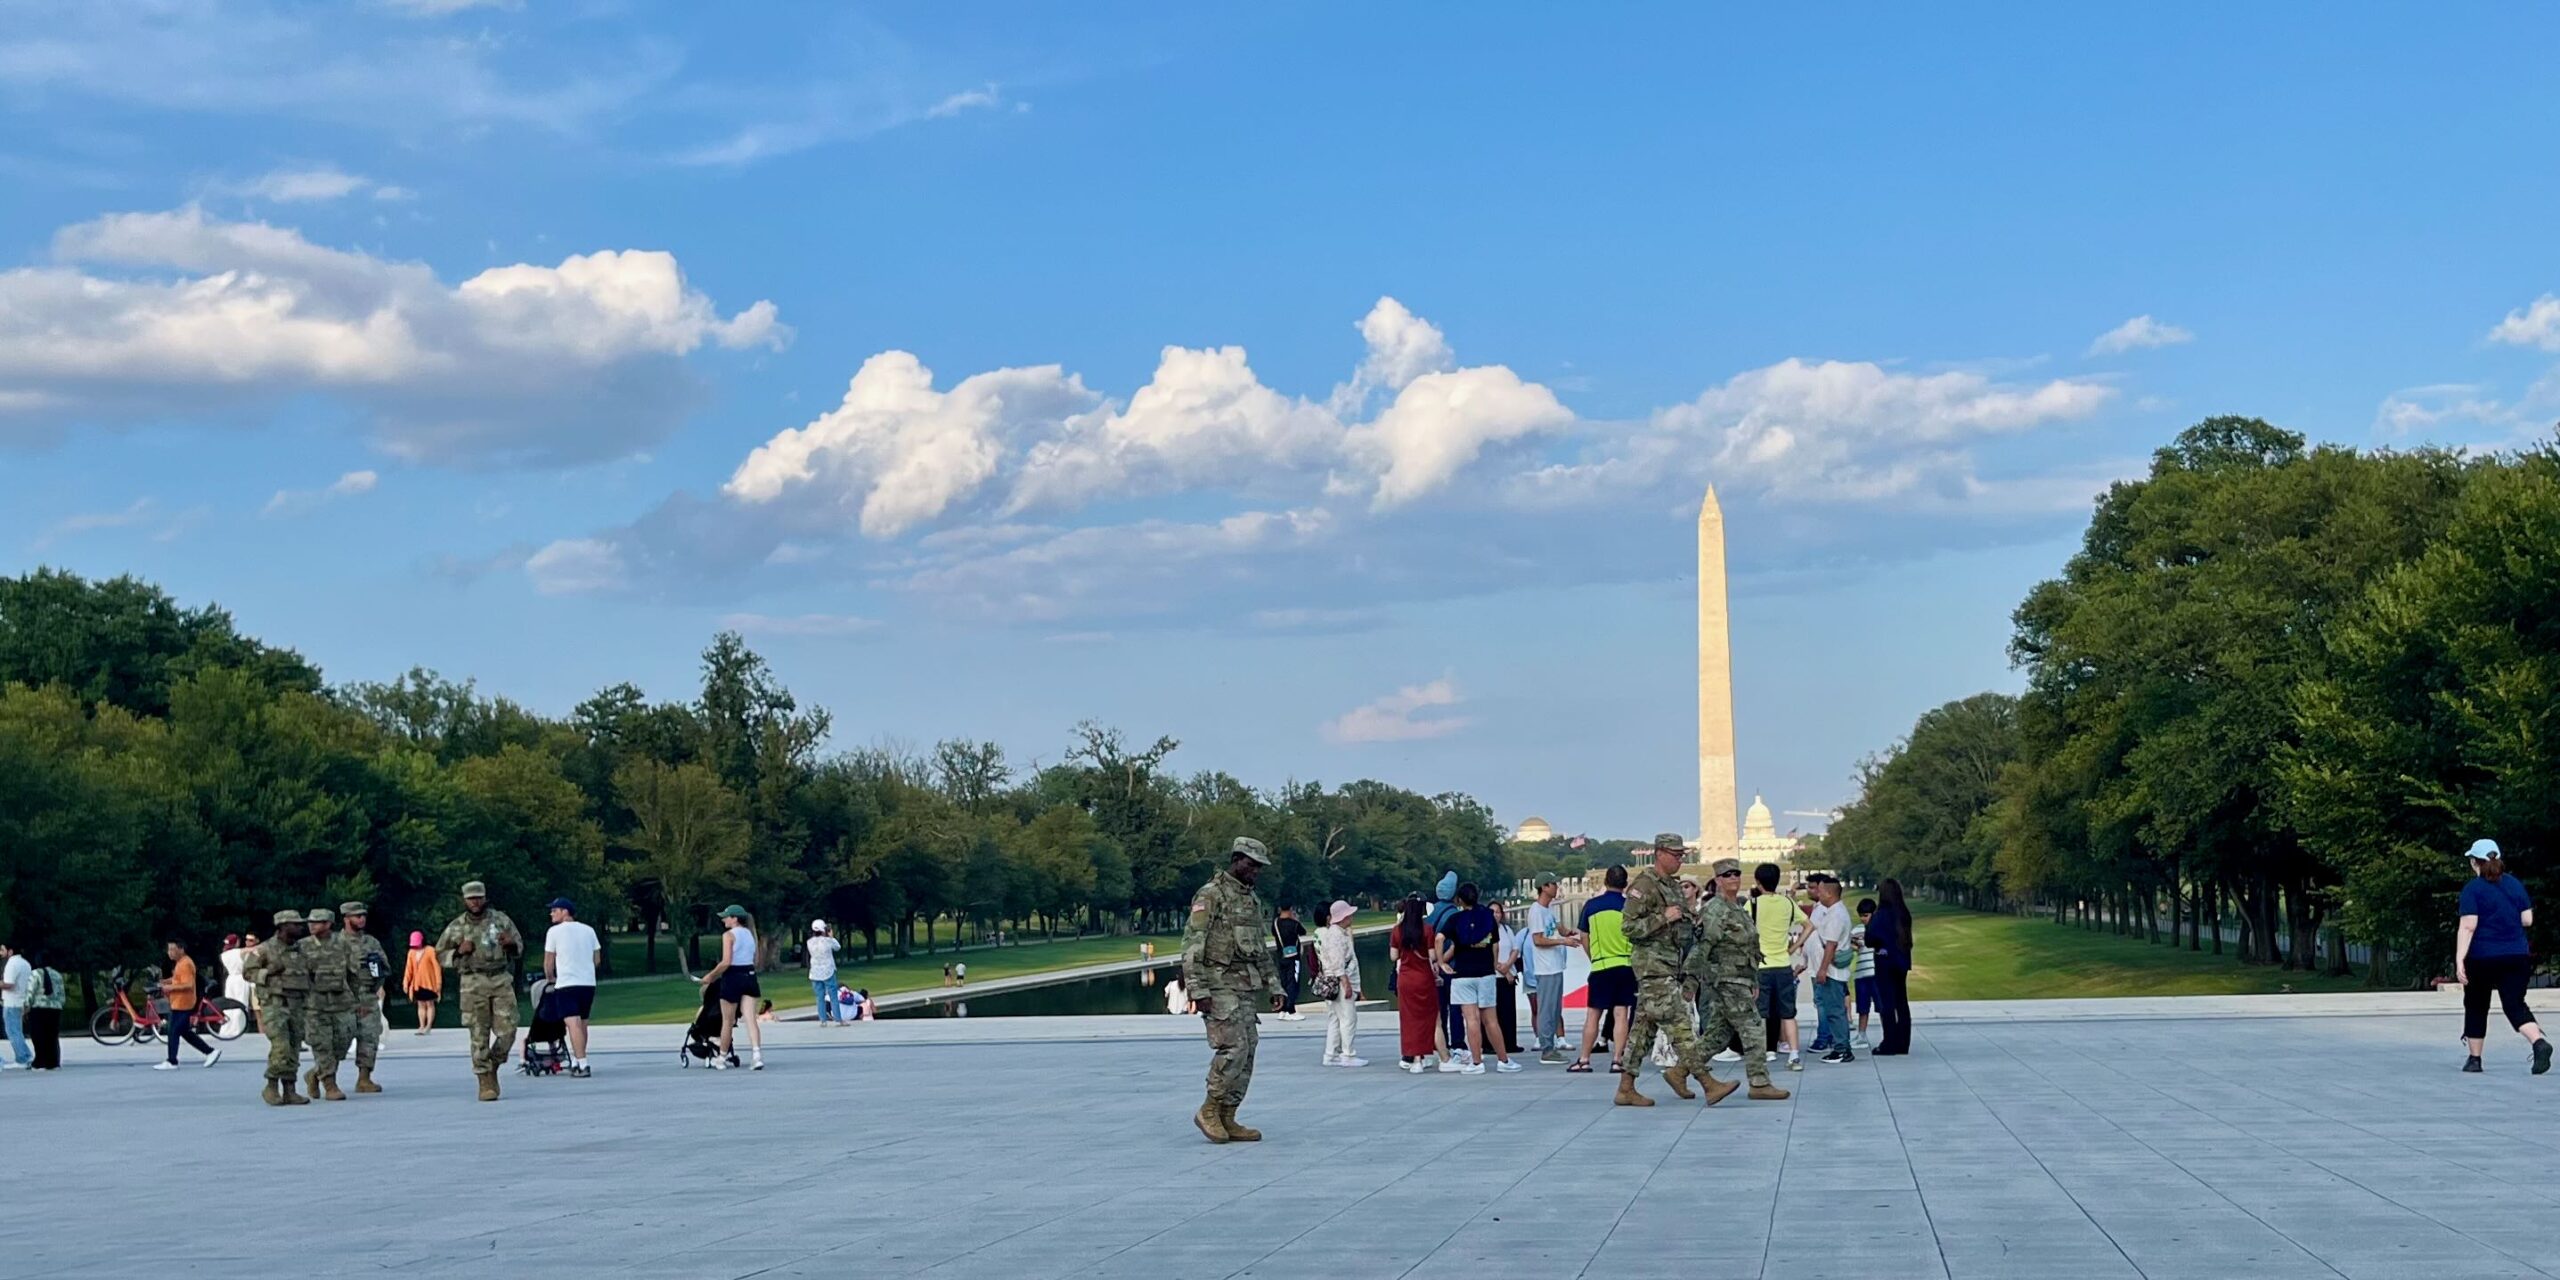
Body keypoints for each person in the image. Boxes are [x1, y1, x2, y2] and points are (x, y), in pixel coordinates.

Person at [1182, 836, 1280, 1143]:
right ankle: (1210, 1108)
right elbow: (1192, 944)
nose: (1256, 872)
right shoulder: (1211, 895)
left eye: (1259, 867)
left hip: (1244, 985)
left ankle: (1228, 1114)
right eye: (1251, 865)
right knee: (1233, 1047)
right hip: (1217, 982)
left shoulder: (1251, 900)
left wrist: (1275, 985)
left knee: (1249, 1048)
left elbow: (1261, 950)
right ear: (1236, 860)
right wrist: (1198, 990)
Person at [1616, 834, 1712, 1107]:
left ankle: (1626, 1087)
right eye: (1675, 853)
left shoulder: (1670, 886)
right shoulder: (1644, 886)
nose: (1680, 858)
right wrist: (1662, 918)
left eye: (1682, 854)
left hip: (1670, 966)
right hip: (1653, 967)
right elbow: (1629, 928)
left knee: (1643, 1030)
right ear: (1659, 853)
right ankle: (1707, 1082)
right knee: (1681, 1025)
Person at [1694, 858, 1789, 1102]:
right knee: (1754, 1027)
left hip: (1741, 977)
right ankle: (1759, 1082)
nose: (1733, 878)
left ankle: (1680, 1070)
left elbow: (1750, 946)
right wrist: (1691, 980)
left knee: (1719, 1033)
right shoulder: (1715, 910)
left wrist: (1753, 979)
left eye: (1736, 873)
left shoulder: (1738, 907)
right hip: (1725, 979)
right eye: (1727, 875)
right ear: (1717, 880)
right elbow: (1703, 947)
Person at [2454, 839, 2549, 1075]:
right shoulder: (2514, 885)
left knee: (2476, 1004)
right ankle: (2538, 1042)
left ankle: (2475, 1059)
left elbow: (2468, 926)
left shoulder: (2472, 889)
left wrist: (2459, 959)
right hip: (2517, 955)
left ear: (2475, 862)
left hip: (2482, 957)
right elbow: (2527, 920)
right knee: (2514, 1004)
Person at [436, 880, 524, 1101]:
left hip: (500, 978)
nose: (475, 902)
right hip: (472, 980)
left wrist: (510, 944)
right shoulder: (457, 926)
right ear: (464, 900)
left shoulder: (501, 920)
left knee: (508, 1030)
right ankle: (485, 1079)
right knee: (478, 1032)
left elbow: (519, 947)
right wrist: (458, 951)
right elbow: (438, 954)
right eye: (471, 898)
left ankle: (494, 1062)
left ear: (485, 898)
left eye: (479, 897)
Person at [1435, 883, 1518, 1075]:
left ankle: (1476, 1062)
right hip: (1485, 974)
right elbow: (1495, 945)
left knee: (1471, 1020)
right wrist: (1494, 963)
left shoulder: (1455, 919)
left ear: (1460, 900)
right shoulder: (1487, 917)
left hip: (1462, 974)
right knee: (1491, 1020)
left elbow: (1439, 938)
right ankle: (1503, 1060)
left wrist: (1441, 963)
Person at [242, 911, 313, 1105]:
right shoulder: (265, 949)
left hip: (298, 1004)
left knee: (294, 1047)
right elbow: (248, 972)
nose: (300, 927)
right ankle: (271, 1085)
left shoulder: (301, 949)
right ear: (282, 926)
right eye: (295, 924)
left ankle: (290, 1089)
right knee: (281, 1046)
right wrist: (267, 972)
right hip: (275, 1003)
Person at [1570, 864, 1635, 1075]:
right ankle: (1617, 1060)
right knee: (1621, 1014)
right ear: (1625, 884)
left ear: (1605, 882)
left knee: (1593, 1015)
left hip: (1601, 965)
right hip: (1625, 965)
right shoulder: (1630, 907)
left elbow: (1584, 936)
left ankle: (1584, 1059)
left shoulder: (1591, 906)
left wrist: (1593, 957)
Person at [299, 907, 366, 1102]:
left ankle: (314, 1074)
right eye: (310, 922)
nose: (312, 925)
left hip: (341, 1001)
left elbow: (354, 975)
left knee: (342, 1043)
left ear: (328, 924)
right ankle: (330, 1085)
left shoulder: (343, 944)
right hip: (315, 1004)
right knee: (322, 1045)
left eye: (317, 922)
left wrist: (358, 1000)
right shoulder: (302, 946)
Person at [1750, 862, 1803, 1072]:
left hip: (1762, 965)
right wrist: (1794, 947)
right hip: (1782, 964)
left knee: (1761, 1013)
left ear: (1757, 882)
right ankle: (1794, 1054)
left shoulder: (1752, 904)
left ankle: (1763, 1052)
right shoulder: (1788, 903)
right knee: (1788, 1013)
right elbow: (1809, 926)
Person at [543, 897, 603, 1076]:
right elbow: (597, 959)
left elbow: (548, 961)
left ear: (564, 912)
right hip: (587, 984)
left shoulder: (554, 932)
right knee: (582, 1023)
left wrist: (551, 977)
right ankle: (577, 1059)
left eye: (554, 910)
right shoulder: (589, 930)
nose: (551, 913)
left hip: (567, 983)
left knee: (572, 1023)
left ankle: (583, 1064)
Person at [700, 904, 764, 1070]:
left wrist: (711, 976)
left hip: (733, 977)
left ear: (734, 919)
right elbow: (755, 961)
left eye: (726, 917)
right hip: (749, 976)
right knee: (750, 1019)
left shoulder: (729, 935)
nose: (723, 920)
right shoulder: (751, 934)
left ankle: (721, 1057)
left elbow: (726, 962)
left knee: (727, 1021)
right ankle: (757, 1055)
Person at [1525, 872, 1580, 1063]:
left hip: (1556, 966)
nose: (1557, 887)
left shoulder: (1549, 910)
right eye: (1553, 884)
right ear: (1544, 887)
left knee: (1555, 1009)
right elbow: (1538, 940)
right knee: (1547, 1009)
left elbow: (1560, 928)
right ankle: (1546, 1048)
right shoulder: (1536, 911)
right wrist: (1563, 941)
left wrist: (1571, 933)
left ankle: (1552, 1045)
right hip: (1545, 968)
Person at [339, 902, 389, 1092]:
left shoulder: (371, 942)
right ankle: (322, 1075)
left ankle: (364, 1078)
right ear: (346, 918)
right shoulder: (336, 943)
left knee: (370, 1037)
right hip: (343, 999)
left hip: (367, 996)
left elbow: (383, 969)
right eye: (356, 916)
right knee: (339, 1041)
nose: (361, 919)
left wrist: (375, 983)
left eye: (363, 915)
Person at [154, 939, 223, 1070]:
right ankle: (210, 1051)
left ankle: (172, 1061)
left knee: (173, 1032)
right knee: (184, 1032)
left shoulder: (185, 963)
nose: (170, 953)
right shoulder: (180, 963)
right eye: (169, 950)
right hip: (178, 1003)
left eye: (173, 949)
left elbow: (188, 984)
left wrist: (170, 988)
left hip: (184, 1004)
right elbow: (177, 979)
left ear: (181, 949)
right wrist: (165, 982)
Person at [1808, 875, 1855, 1064]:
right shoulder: (1833, 912)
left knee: (1835, 1011)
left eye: (1819, 890)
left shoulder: (1836, 915)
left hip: (1832, 972)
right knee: (1833, 1009)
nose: (1817, 894)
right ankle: (1841, 1047)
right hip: (1831, 971)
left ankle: (1842, 1049)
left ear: (1828, 892)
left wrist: (1822, 969)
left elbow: (1831, 945)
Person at [1314, 899, 1365, 1067]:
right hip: (1341, 982)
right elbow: (1337, 962)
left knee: (1335, 1018)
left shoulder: (1335, 933)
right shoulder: (1336, 935)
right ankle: (1347, 1054)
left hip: (1334, 981)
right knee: (1348, 1018)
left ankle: (1331, 1054)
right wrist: (1346, 983)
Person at [1392, 895, 1439, 1073]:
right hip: (1424, 978)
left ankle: (1413, 1056)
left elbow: (1393, 956)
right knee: (1426, 1017)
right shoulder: (1427, 930)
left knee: (1408, 1019)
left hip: (1405, 978)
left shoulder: (1397, 931)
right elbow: (1432, 956)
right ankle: (1423, 1055)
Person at [1870, 878, 1915, 1056]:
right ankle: (1903, 1043)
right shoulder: (1904, 913)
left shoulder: (1881, 915)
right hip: (1901, 961)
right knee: (1901, 1003)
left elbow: (1871, 938)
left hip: (1885, 961)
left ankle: (1889, 1042)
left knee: (1887, 1003)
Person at [1491, 900, 1525, 1056]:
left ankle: (1510, 1043)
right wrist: (1504, 970)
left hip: (1509, 977)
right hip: (1495, 977)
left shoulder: (1506, 929)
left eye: (1498, 912)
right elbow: (1488, 955)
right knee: (1494, 1013)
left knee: (1509, 1012)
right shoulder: (1485, 931)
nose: (1495, 915)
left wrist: (1508, 966)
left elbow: (1515, 949)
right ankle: (1492, 1045)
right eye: (1492, 912)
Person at [22, 950, 63, 1071]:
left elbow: (30, 992)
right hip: (55, 1009)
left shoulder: (35, 974)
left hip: (39, 1008)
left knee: (38, 1035)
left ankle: (40, 1061)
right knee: (52, 1036)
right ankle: (53, 1061)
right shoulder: (57, 975)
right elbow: (61, 993)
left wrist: (26, 1006)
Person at [1851, 898, 1878, 1050]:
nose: (1863, 918)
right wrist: (1854, 944)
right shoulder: (1856, 930)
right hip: (1861, 973)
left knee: (1881, 1005)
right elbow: (1849, 944)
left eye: (1866, 915)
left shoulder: (1879, 929)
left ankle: (1889, 1032)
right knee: (1862, 1007)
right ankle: (1861, 1035)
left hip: (1875, 972)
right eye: (1861, 915)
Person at [1272, 904, 1307, 1021]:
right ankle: (1290, 1010)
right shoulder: (1294, 924)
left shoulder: (1275, 923)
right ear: (1291, 909)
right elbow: (1303, 932)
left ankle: (1282, 1009)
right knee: (1293, 983)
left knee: (1284, 982)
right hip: (1293, 957)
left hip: (1281, 956)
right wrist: (1295, 919)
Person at [403, 930, 441, 1035]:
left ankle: (428, 1026)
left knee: (429, 1003)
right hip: (417, 984)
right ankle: (421, 1025)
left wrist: (438, 983)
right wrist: (406, 982)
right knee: (420, 1004)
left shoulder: (430, 951)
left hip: (429, 983)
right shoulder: (411, 953)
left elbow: (436, 968)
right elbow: (408, 968)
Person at [806, 919, 843, 1027]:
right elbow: (837, 947)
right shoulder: (827, 941)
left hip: (815, 972)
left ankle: (823, 1020)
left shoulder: (809, 942)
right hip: (828, 971)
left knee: (819, 997)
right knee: (833, 996)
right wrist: (831, 936)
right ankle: (838, 1019)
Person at [0, 942, 30, 1069]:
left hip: (11, 1002)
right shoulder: (25, 963)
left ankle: (22, 1058)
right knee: (17, 1031)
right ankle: (26, 1055)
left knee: (12, 1032)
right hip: (20, 1001)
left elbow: (8, 984)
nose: (0, 953)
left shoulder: (12, 964)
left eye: (2, 950)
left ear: (10, 951)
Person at [219, 933, 253, 1035]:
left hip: (230, 980)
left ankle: (227, 1028)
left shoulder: (223, 955)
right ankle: (239, 1028)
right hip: (240, 979)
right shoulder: (239, 952)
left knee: (229, 1005)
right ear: (236, 942)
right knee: (241, 1004)